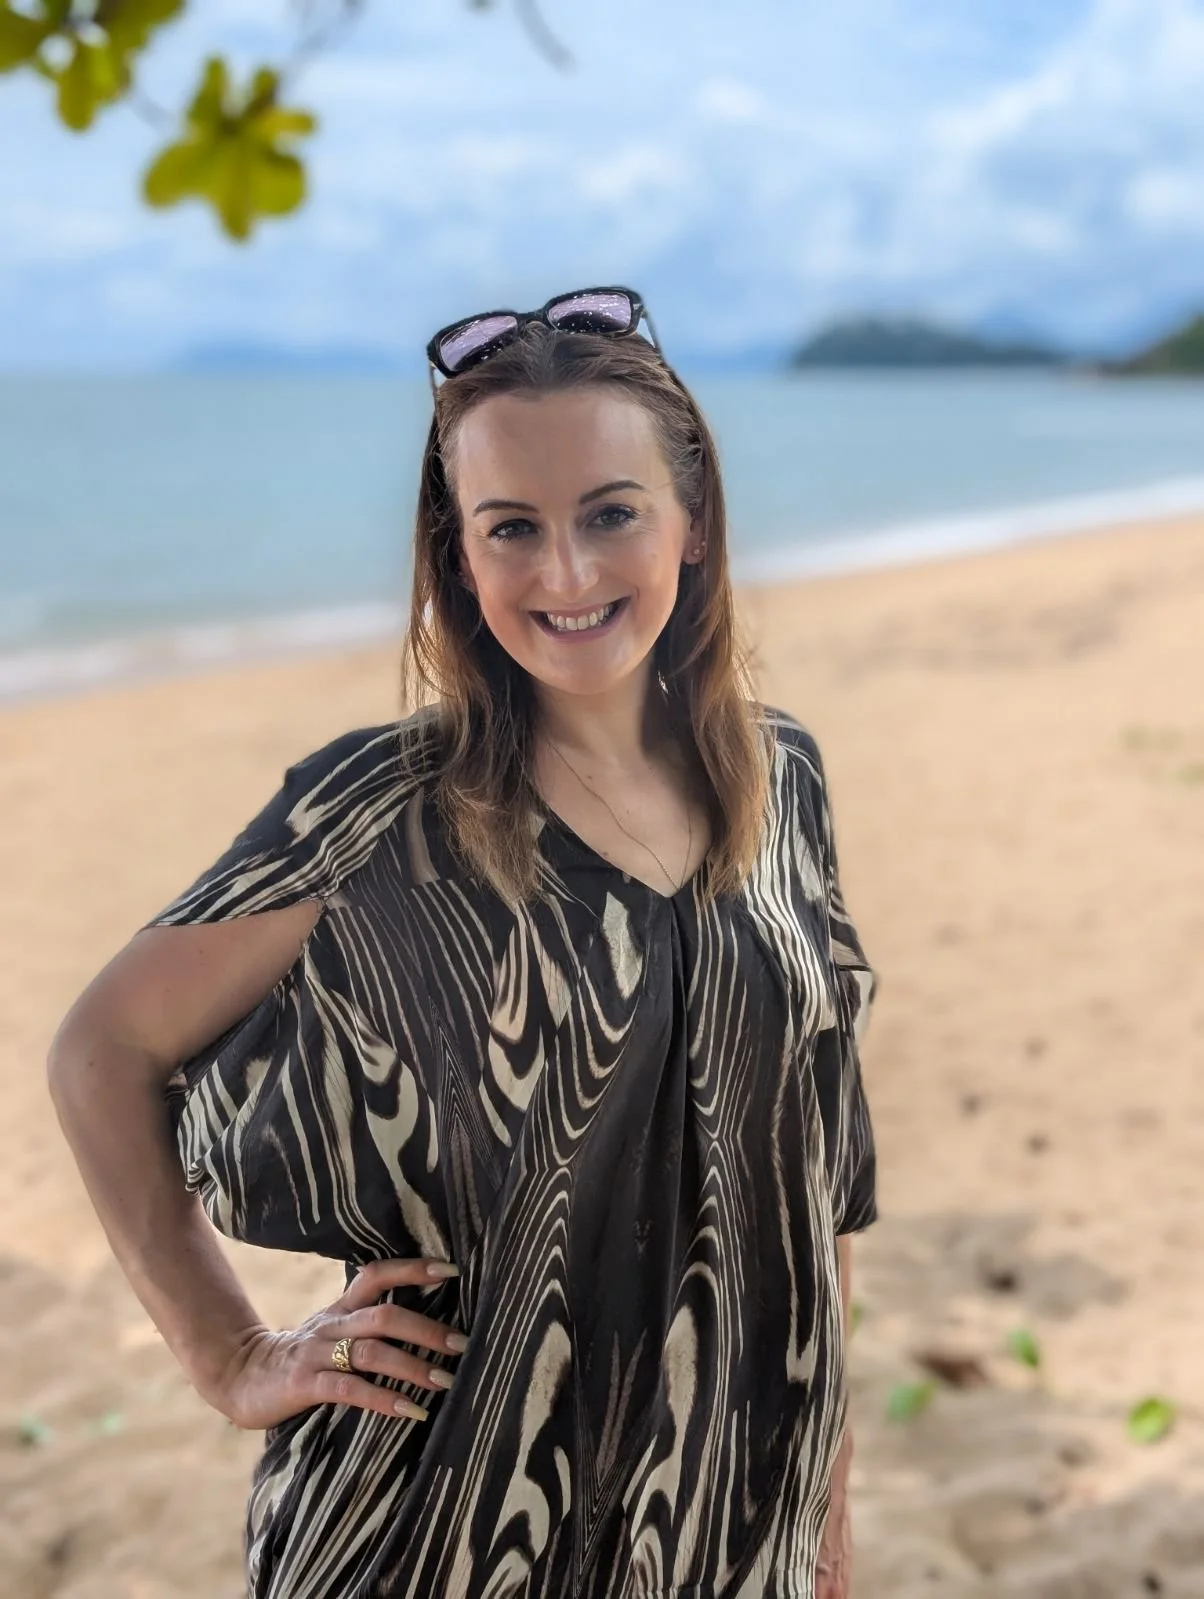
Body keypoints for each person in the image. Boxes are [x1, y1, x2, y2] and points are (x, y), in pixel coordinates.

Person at [47, 286, 878, 1599]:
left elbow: (818, 1170)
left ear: (695, 522)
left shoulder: (784, 784)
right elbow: (103, 1048)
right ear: (460, 554)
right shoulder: (374, 810)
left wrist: (823, 1502)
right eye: (512, 528)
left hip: (728, 1521)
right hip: (431, 1529)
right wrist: (232, 1355)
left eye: (611, 513)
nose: (567, 574)